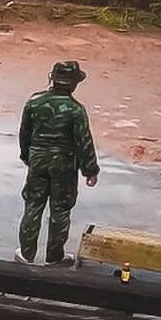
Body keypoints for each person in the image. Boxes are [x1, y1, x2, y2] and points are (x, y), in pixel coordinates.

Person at [15, 60, 100, 266]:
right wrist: (90, 170)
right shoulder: (76, 110)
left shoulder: (33, 102)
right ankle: (54, 256)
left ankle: (26, 254)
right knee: (60, 209)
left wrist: (27, 157)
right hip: (64, 164)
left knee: (33, 205)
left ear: (52, 79)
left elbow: (24, 134)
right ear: (73, 84)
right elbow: (84, 142)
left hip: (38, 160)